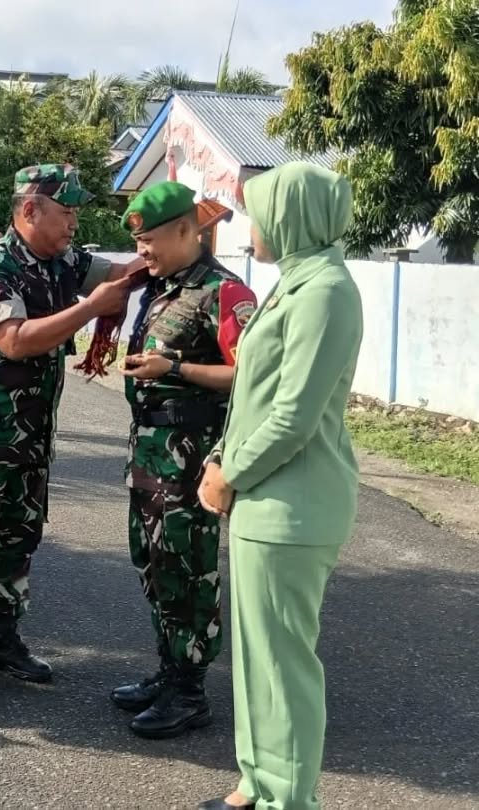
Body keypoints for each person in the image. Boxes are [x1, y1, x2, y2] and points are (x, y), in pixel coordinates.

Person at [0, 164, 147, 706]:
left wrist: (178, 233)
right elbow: (14, 340)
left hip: (30, 433)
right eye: (66, 212)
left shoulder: (65, 261)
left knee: (17, 533)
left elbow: (124, 271)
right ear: (29, 210)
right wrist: (89, 308)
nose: (74, 223)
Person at [196, 163, 363, 810]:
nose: (251, 228)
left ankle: (287, 799)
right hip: (266, 498)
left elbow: (294, 416)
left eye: (261, 214)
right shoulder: (297, 283)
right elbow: (255, 395)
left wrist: (230, 474)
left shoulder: (325, 292)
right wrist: (220, 458)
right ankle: (257, 784)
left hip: (293, 503)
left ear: (293, 218)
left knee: (283, 666)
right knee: (256, 660)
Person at [109, 181, 258, 740]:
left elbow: (251, 374)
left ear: (184, 230)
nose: (141, 251)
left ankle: (190, 692)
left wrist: (175, 369)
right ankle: (170, 670)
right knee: (153, 563)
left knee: (188, 569)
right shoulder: (162, 288)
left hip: (191, 456)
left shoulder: (223, 291)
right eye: (138, 241)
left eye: (149, 240)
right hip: (150, 450)